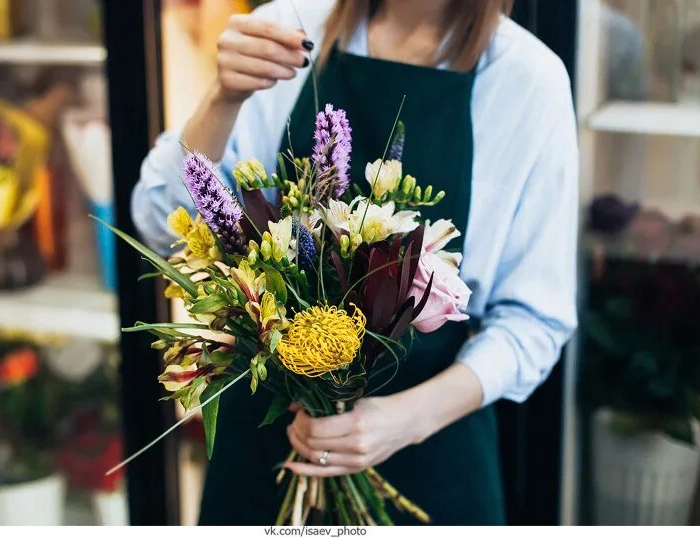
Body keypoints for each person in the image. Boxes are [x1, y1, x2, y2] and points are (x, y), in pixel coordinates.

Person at [132, 0, 577, 525]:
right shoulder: (287, 31)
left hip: (429, 455)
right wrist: (223, 98)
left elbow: (534, 320)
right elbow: (159, 219)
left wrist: (406, 419)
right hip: (265, 451)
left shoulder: (526, 80)